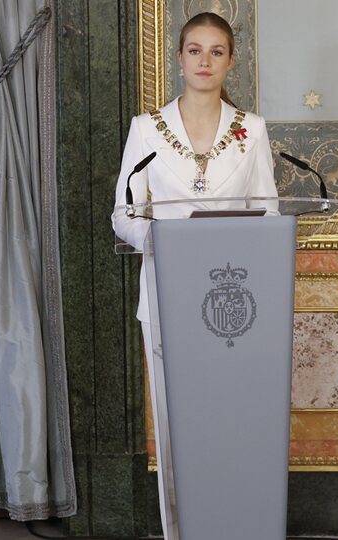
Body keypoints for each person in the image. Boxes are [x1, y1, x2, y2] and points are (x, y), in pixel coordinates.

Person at [110, 12, 277, 539]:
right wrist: (163, 240)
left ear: (231, 60)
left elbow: (269, 212)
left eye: (217, 51)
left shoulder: (252, 130)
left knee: (235, 419)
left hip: (237, 303)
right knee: (180, 422)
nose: (205, 61)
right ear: (179, 57)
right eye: (195, 50)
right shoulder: (145, 129)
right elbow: (124, 213)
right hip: (168, 293)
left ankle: (241, 526)